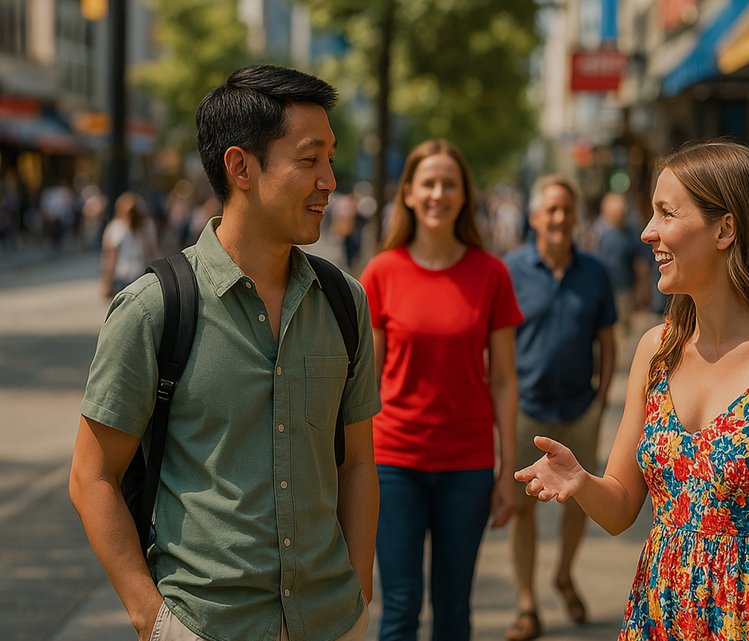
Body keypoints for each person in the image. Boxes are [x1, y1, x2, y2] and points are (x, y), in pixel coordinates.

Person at [68, 65, 381, 641]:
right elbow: (92, 477)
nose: (330, 181)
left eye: (330, 160)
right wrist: (152, 619)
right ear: (241, 167)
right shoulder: (153, 309)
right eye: (309, 160)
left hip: (332, 620)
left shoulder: (344, 303)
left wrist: (358, 593)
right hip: (206, 625)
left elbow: (358, 462)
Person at [516, 140, 749, 640]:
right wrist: (581, 482)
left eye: (666, 213)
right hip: (660, 613)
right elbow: (622, 506)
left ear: (726, 228)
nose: (648, 233)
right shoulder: (656, 350)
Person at [360, 139, 523, 641]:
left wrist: (507, 469)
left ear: (463, 195)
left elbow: (503, 378)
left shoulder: (491, 273)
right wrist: (351, 466)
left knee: (454, 611)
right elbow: (365, 380)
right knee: (400, 608)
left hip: (467, 467)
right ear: (408, 193)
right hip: (394, 463)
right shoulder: (381, 273)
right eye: (427, 183)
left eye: (449, 184)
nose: (438, 193)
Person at [502, 175, 617, 640]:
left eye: (566, 210)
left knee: (581, 501)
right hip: (527, 408)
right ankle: (527, 604)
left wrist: (601, 398)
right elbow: (499, 345)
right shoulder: (510, 270)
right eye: (550, 210)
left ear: (575, 217)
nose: (559, 218)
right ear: (533, 218)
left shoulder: (595, 272)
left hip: (579, 410)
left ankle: (564, 573)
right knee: (522, 507)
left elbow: (608, 342)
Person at [589, 191, 650, 339]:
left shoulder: (630, 233)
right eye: (617, 212)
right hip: (600, 288)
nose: (621, 215)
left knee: (623, 330)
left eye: (622, 212)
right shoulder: (597, 232)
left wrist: (642, 288)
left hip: (624, 290)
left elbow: (639, 262)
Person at [99, 191, 159, 299]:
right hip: (140, 273)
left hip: (123, 274)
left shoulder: (116, 227)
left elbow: (110, 257)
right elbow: (152, 252)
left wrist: (106, 281)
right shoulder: (147, 226)